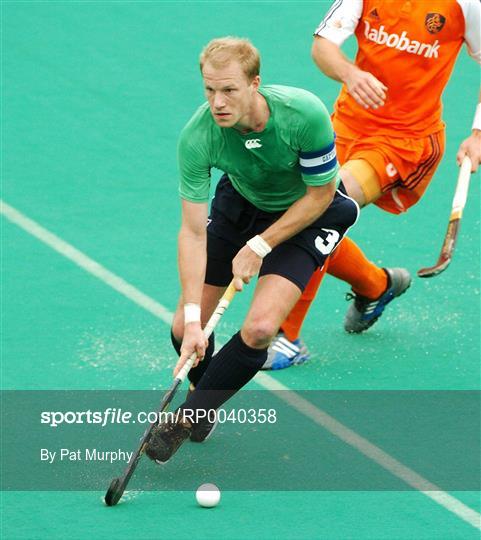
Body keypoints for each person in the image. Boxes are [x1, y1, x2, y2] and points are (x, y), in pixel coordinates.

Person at [143, 36, 359, 462]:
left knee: (260, 328)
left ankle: (189, 416)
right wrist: (191, 321)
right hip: (240, 204)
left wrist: (260, 245)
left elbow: (321, 194)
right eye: (209, 90)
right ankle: (204, 406)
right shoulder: (198, 136)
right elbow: (191, 233)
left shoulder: (303, 114)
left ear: (255, 83)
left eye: (228, 90)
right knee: (181, 327)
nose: (217, 102)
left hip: (307, 213)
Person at [263, 0, 481, 370]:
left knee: (325, 209)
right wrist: (350, 73)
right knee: (292, 212)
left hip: (405, 141)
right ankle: (376, 285)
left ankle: (288, 337)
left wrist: (478, 133)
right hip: (346, 125)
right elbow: (324, 45)